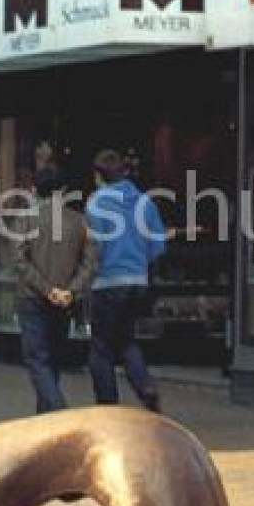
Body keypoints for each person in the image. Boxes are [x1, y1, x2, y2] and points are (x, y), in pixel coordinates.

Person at [85, 149, 166, 412]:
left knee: (101, 349)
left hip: (106, 281)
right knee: (127, 340)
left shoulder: (97, 203)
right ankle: (146, 387)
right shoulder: (144, 202)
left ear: (99, 175)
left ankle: (108, 408)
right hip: (137, 280)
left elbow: (93, 247)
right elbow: (157, 247)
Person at [15, 165, 99, 413]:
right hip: (65, 298)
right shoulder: (78, 221)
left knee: (37, 358)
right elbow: (90, 261)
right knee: (53, 357)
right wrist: (71, 290)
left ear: (34, 189)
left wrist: (46, 288)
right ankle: (46, 416)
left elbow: (19, 260)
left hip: (32, 296)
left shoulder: (26, 219)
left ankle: (58, 410)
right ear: (62, 190)